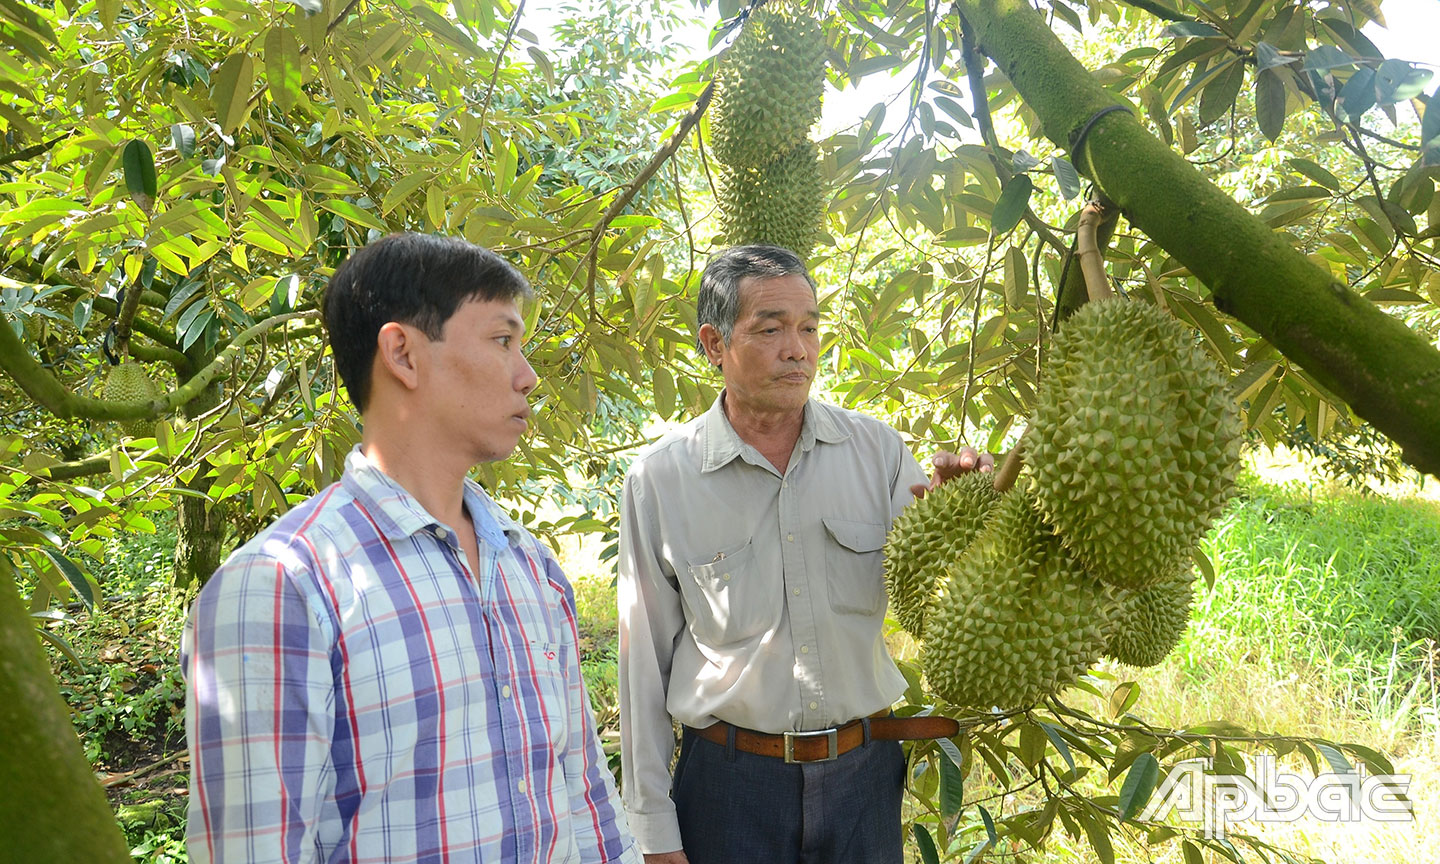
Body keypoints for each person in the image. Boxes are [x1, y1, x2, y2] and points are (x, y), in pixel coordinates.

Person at [182, 233, 639, 864]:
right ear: (403, 354)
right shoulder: (283, 585)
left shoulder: (530, 567)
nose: (528, 377)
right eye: (503, 340)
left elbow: (585, 796)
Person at [616, 244, 994, 864]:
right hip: (730, 784)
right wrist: (655, 834)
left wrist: (969, 513)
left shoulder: (877, 453)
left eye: (809, 327)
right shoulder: (662, 481)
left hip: (863, 779)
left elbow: (942, 590)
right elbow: (643, 670)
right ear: (715, 345)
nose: (798, 349)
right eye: (770, 329)